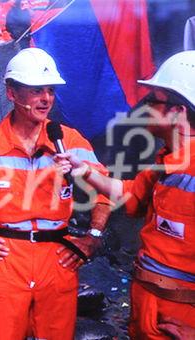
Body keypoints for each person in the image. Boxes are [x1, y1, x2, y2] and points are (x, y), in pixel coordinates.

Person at [0, 48, 111, 339]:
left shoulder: (69, 141)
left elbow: (106, 190)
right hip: (3, 264)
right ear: (12, 93)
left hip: (57, 262)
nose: (46, 99)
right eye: (36, 90)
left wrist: (94, 238)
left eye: (50, 90)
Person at [55, 50, 195, 339]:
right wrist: (86, 172)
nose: (144, 108)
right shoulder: (166, 161)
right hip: (150, 306)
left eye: (153, 100)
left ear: (178, 111)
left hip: (184, 316)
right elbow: (130, 195)